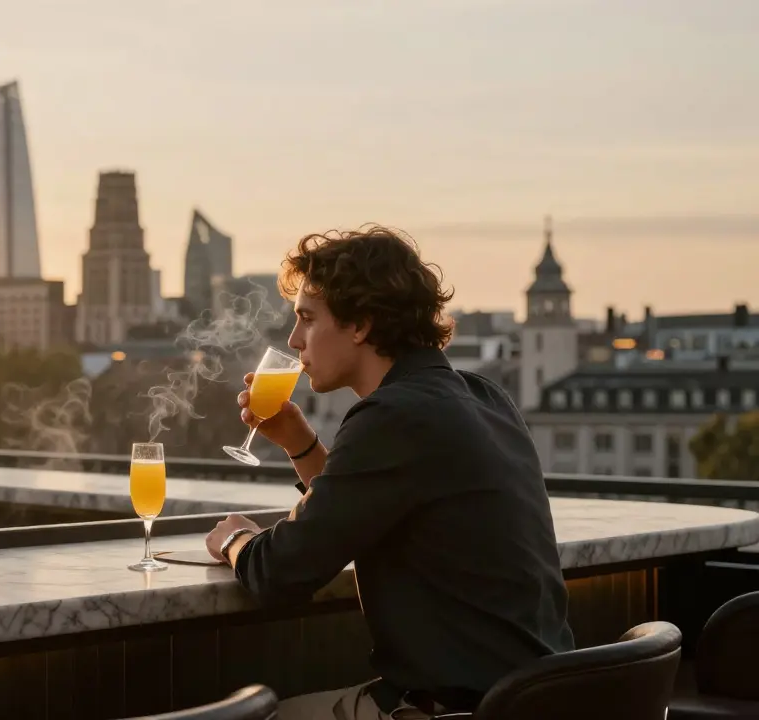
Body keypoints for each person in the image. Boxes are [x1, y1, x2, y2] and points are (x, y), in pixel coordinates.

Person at [205, 226, 574, 720]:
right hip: (540, 698)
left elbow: (280, 572)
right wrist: (301, 444)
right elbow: (354, 513)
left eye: (307, 319)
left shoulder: (393, 416)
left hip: (454, 709)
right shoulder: (483, 396)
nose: (294, 341)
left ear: (360, 324)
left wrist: (236, 541)